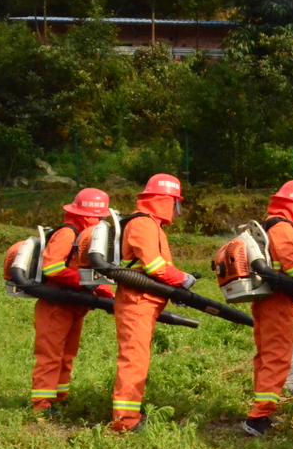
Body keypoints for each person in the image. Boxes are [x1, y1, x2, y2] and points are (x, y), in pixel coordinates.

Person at [112, 174, 195, 432]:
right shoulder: (143, 224)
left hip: (145, 301)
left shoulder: (151, 225)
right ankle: (124, 422)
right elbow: (154, 266)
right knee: (134, 360)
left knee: (138, 359)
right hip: (137, 301)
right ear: (165, 200)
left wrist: (176, 286)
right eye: (174, 203)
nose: (175, 209)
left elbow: (156, 269)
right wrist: (182, 279)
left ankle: (127, 417)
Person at [31, 189, 113, 413]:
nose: (100, 221)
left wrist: (108, 294)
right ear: (87, 215)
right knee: (50, 355)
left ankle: (58, 398)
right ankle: (42, 405)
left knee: (67, 354)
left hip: (75, 305)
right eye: (98, 217)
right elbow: (52, 267)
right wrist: (85, 283)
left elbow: (93, 273)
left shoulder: (85, 237)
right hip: (56, 304)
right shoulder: (67, 234)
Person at [243, 180, 293, 437]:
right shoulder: (283, 226)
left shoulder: (266, 223)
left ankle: (261, 410)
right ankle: (258, 417)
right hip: (278, 303)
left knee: (265, 356)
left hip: (266, 300)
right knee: (276, 356)